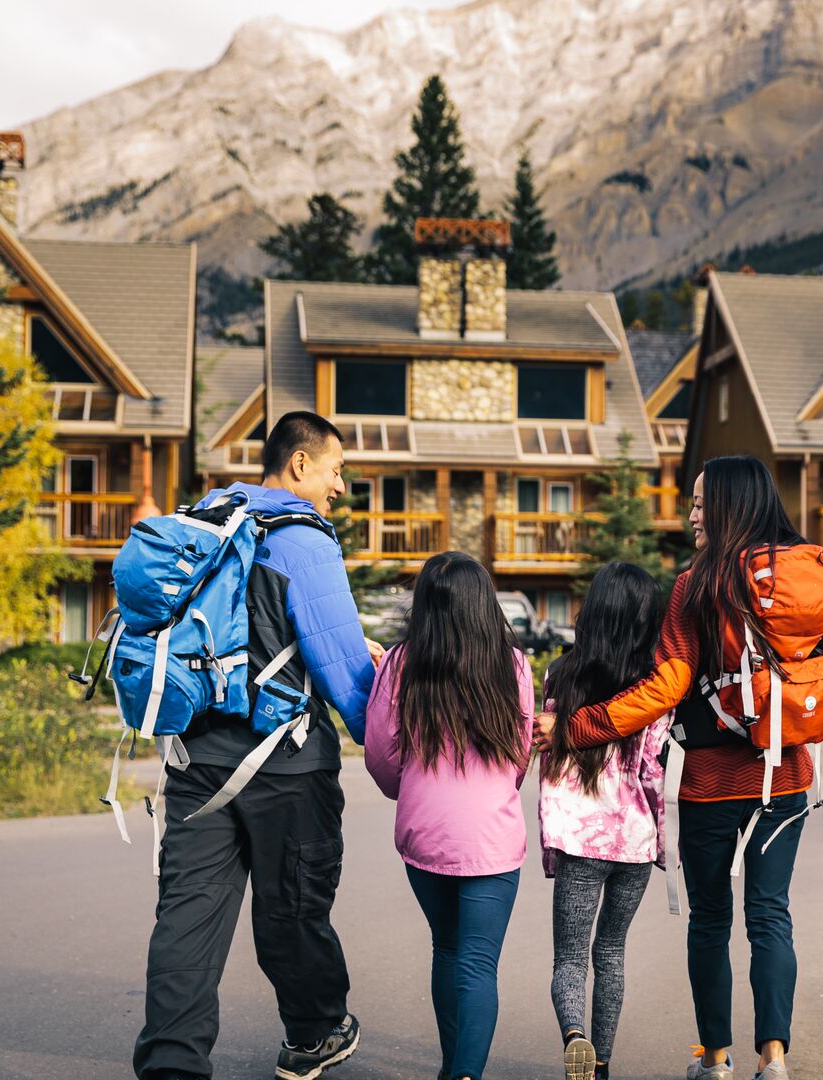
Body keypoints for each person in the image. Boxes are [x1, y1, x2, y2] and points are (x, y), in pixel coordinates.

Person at [533, 455, 823, 1080]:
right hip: (788, 776)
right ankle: (776, 1059)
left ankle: (714, 1057)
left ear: (731, 505)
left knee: (711, 917)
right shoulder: (813, 576)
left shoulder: (697, 585)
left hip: (712, 783)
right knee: (771, 914)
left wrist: (576, 728)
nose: (692, 516)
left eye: (703, 503)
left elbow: (666, 687)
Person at [134, 411, 380, 1080]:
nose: (338, 487)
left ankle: (171, 1065)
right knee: (293, 908)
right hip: (287, 766)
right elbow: (343, 673)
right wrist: (388, 752)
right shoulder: (303, 541)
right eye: (334, 470)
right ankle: (314, 1033)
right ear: (299, 464)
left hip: (193, 759)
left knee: (188, 917)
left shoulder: (207, 518)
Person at [364, 550, 536, 1080]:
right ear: (484, 604)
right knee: (478, 962)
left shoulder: (400, 662)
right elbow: (521, 750)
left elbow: (380, 754)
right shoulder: (512, 664)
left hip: (427, 834)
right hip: (491, 838)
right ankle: (465, 1074)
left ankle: (450, 1067)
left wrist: (411, 790)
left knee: (446, 947)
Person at [537, 562, 670, 1080]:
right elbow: (654, 772)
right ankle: (604, 1066)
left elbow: (547, 763)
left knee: (569, 957)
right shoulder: (652, 691)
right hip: (632, 842)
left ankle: (576, 1038)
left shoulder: (560, 676)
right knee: (611, 952)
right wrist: (660, 844)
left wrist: (553, 840)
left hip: (579, 840)